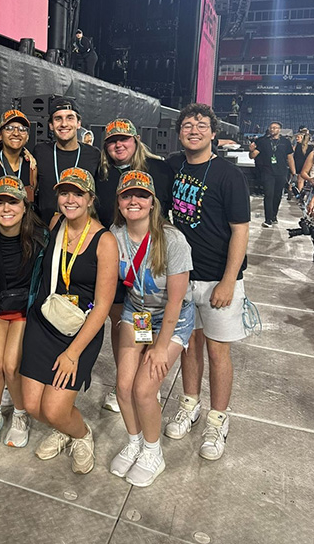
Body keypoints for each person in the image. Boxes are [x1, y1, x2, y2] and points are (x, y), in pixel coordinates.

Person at [164, 103, 251, 461]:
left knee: (218, 351)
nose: (194, 130)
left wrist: (228, 281)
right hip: (183, 277)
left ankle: (217, 418)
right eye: (187, 125)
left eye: (201, 125)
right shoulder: (174, 166)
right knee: (188, 345)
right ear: (180, 132)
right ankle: (190, 403)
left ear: (214, 133)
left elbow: (240, 231)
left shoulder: (229, 176)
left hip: (218, 279)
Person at [21, 168, 118, 474]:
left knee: (54, 408)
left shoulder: (105, 241)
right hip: (44, 321)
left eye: (78, 193)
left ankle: (81, 434)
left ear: (90, 199)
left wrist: (72, 353)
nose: (70, 199)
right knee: (35, 407)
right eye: (64, 192)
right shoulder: (56, 223)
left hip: (79, 330)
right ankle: (62, 429)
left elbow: (102, 306)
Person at [109, 170, 193, 486]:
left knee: (145, 390)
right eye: (127, 195)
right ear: (118, 202)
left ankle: (153, 452)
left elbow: (175, 301)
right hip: (140, 315)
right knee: (124, 386)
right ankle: (134, 443)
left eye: (141, 195)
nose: (134, 200)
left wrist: (160, 346)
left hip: (172, 319)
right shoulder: (114, 237)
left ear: (152, 202)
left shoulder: (172, 240)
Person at [96, 118, 174, 413]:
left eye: (124, 139)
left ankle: (146, 384)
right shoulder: (102, 173)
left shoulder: (160, 169)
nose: (118, 144)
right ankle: (124, 383)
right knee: (124, 324)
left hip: (151, 261)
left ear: (137, 139)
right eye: (112, 140)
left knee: (149, 321)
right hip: (116, 262)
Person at [0, 177, 48, 447]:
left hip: (24, 310)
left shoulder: (40, 237)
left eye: (12, 201)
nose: (6, 208)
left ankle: (20, 414)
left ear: (25, 206)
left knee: (12, 367)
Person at [33, 97, 100, 225]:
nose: (64, 124)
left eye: (70, 118)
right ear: (51, 125)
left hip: (81, 231)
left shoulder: (93, 154)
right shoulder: (40, 151)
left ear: (78, 123)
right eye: (58, 119)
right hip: (45, 231)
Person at [0, 109, 37, 211]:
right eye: (9, 128)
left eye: (22, 129)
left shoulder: (31, 167)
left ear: (27, 137)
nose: (16, 133)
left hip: (22, 225)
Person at [249, 121, 295, 227]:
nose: (272, 129)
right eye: (271, 128)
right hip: (267, 172)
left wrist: (293, 172)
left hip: (281, 172)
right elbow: (253, 156)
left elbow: (290, 157)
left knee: (277, 195)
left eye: (275, 128)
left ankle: (274, 216)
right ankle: (268, 219)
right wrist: (251, 151)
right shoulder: (263, 141)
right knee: (268, 195)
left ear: (280, 129)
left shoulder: (285, 142)